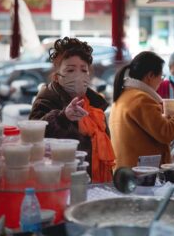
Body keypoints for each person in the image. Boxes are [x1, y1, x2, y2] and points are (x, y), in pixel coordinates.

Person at [29, 37, 114, 183]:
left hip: (95, 182)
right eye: (70, 70)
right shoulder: (46, 99)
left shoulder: (95, 105)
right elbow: (33, 137)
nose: (78, 75)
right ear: (57, 75)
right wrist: (63, 117)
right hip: (59, 182)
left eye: (83, 70)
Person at [109, 51, 174, 168]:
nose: (161, 81)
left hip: (128, 169)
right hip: (140, 173)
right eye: (161, 76)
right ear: (150, 76)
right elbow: (166, 133)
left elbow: (145, 131)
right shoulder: (141, 99)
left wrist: (166, 118)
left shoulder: (126, 95)